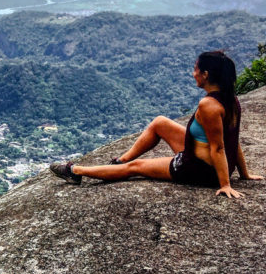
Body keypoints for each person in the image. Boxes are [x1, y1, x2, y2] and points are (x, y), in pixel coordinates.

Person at [50, 51, 260, 199]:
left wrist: (225, 184)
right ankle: (120, 160)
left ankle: (75, 171)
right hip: (203, 157)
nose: (193, 73)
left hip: (200, 170)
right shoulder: (230, 99)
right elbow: (233, 140)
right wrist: (243, 173)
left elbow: (220, 146)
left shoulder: (209, 105)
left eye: (196, 70)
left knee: (135, 168)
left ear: (206, 75)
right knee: (160, 123)